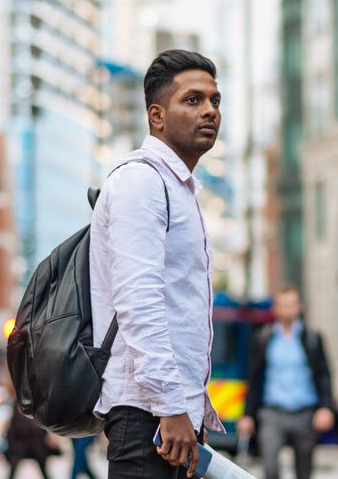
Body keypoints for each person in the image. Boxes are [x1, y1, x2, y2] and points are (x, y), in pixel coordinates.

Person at [89, 49, 224, 479]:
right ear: (157, 116)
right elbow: (138, 301)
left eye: (214, 101)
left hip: (169, 419)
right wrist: (171, 407)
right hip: (148, 417)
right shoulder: (142, 181)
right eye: (193, 100)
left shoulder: (179, 188)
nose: (209, 111)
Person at [237, 285, 335, 479]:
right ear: (276, 309)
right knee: (270, 467)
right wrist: (247, 415)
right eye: (283, 305)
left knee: (304, 471)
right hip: (272, 412)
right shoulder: (264, 338)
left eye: (291, 305)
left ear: (300, 307)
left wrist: (326, 408)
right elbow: (254, 379)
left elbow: (324, 375)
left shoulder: (312, 338)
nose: (287, 310)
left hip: (304, 413)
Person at [4, 405, 60, 479]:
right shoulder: (18, 413)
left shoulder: (34, 411)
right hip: (21, 446)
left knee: (42, 463)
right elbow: (13, 431)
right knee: (14, 463)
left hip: (35, 446)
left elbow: (40, 432)